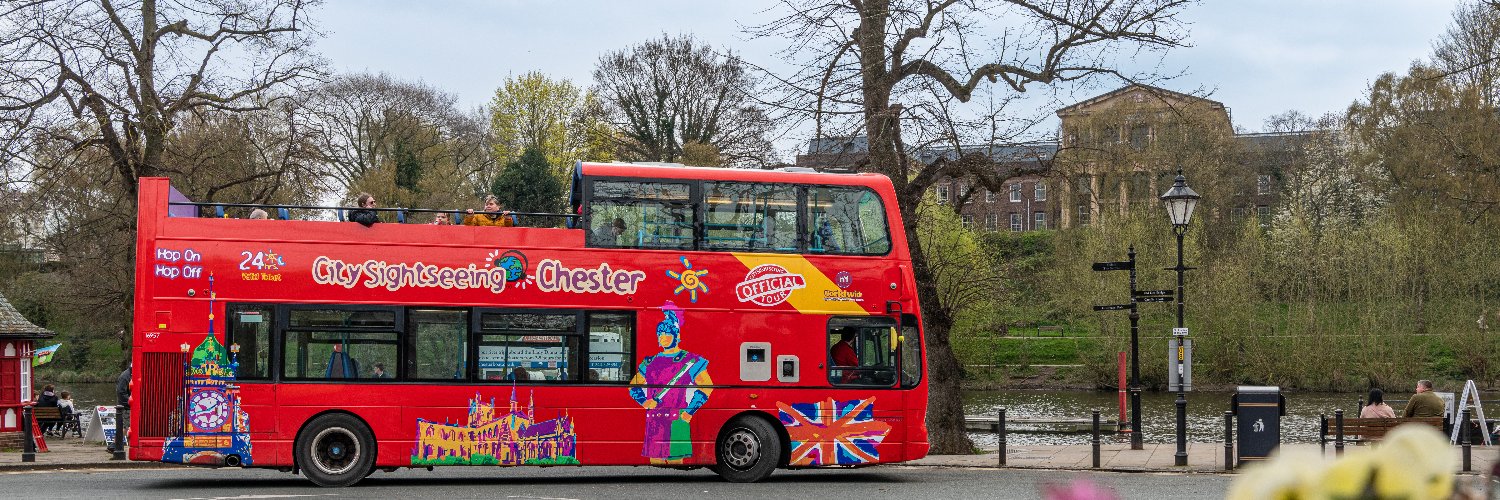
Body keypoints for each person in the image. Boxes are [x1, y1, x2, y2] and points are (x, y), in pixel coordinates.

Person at [628, 302, 712, 464]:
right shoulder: (650, 362)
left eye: (667, 333)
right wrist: (645, 401)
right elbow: (633, 386)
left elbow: (706, 386)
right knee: (655, 461)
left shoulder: (690, 360)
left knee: (676, 461)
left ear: (676, 336)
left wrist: (690, 411)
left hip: (678, 418)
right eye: (660, 333)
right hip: (654, 420)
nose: (662, 337)